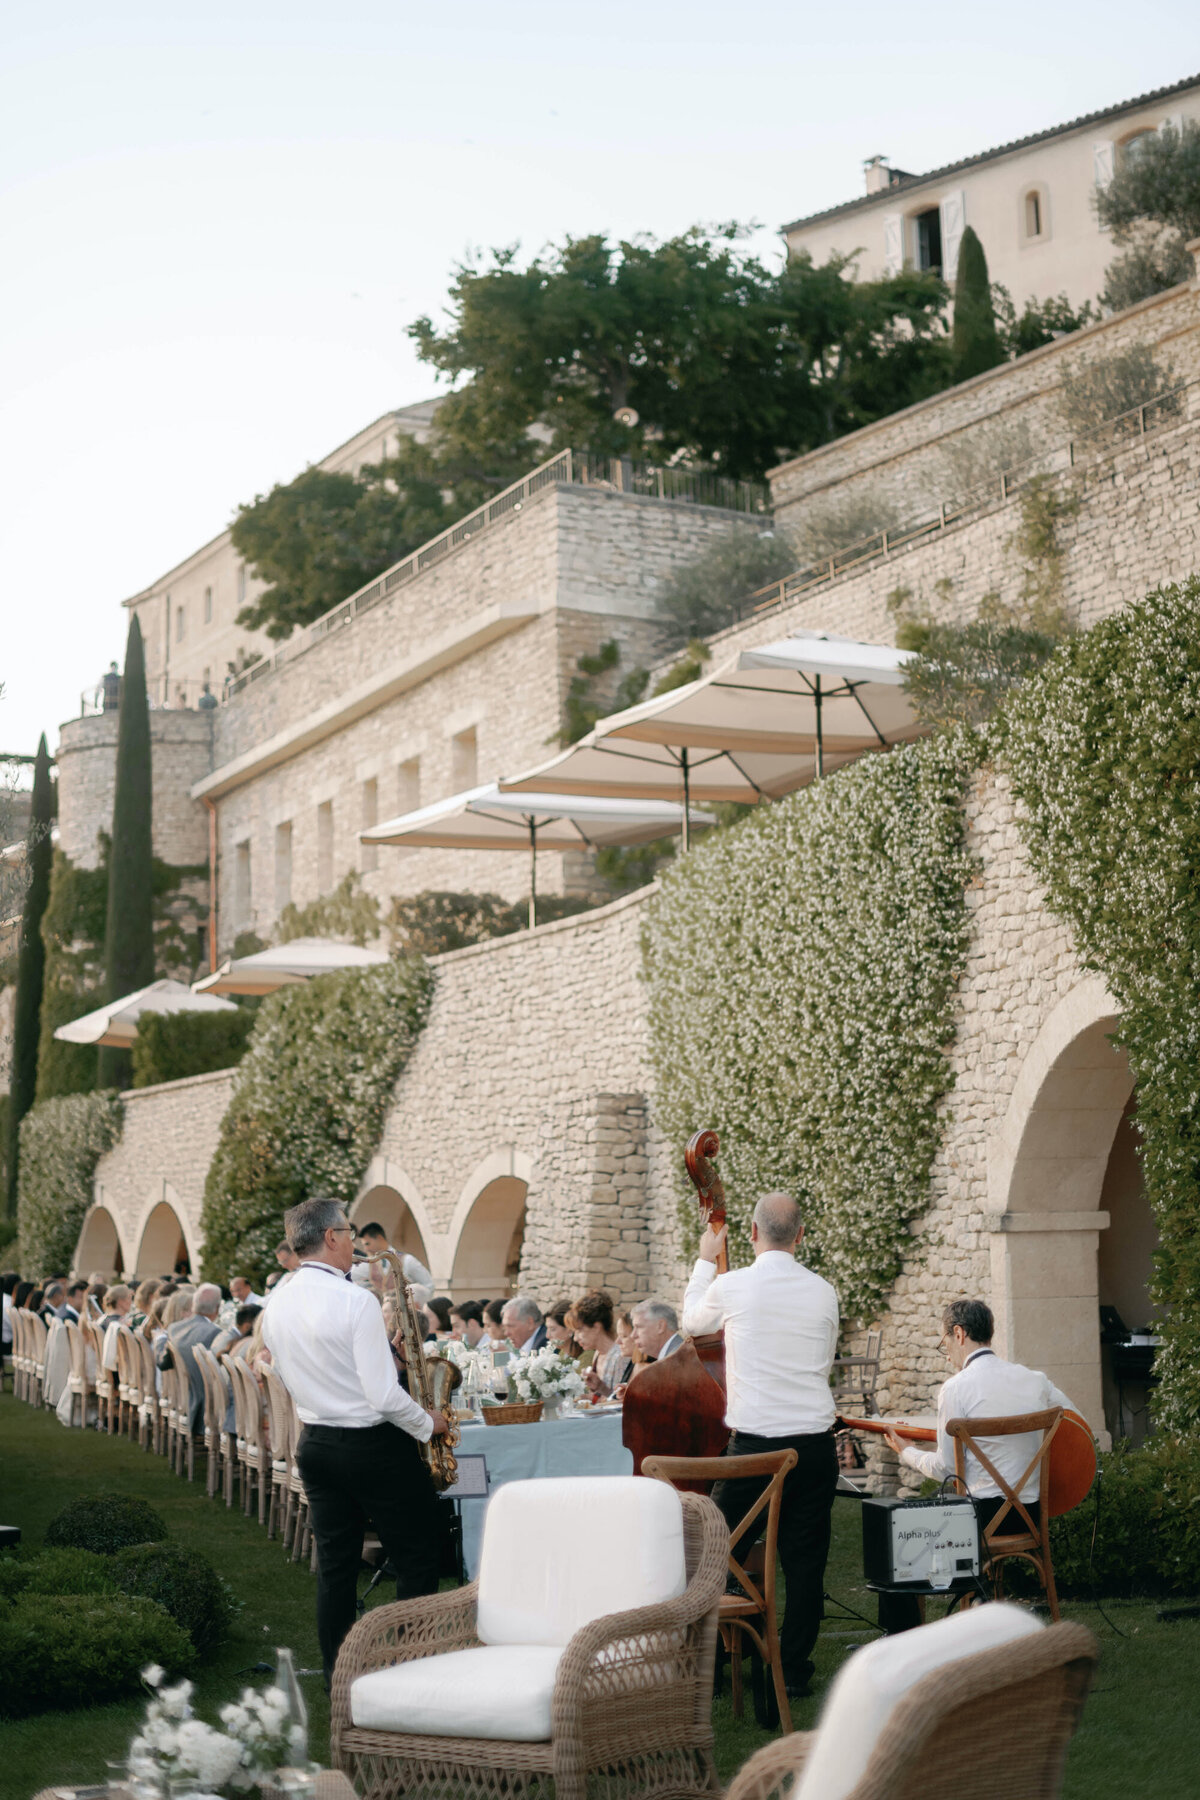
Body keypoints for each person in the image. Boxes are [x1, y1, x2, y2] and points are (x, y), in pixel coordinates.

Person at [262, 1196, 449, 1685]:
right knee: (418, 1553)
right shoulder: (355, 1299)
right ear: (331, 1238)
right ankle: (412, 1661)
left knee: (336, 1566)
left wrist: (388, 1355)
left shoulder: (277, 1300)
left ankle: (337, 1671)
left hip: (317, 1444)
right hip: (373, 1446)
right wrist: (431, 1424)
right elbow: (383, 1398)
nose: (354, 1243)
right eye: (347, 1233)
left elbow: (288, 1370)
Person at [682, 1192, 840, 1701]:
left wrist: (706, 1260)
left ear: (751, 1234)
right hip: (814, 1445)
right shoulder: (824, 1291)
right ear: (800, 1236)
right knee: (805, 1562)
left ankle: (711, 1660)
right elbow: (825, 1358)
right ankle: (790, 1669)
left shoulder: (732, 1285)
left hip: (753, 1449)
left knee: (715, 1554)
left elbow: (690, 1325)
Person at [884, 1298, 1076, 1540]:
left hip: (979, 1521)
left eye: (945, 1344)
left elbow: (948, 1469)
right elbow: (1076, 1422)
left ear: (959, 1333)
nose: (946, 1356)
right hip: (1032, 1515)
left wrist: (907, 1451)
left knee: (917, 1528)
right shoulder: (1035, 1380)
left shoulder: (954, 1389)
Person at [163, 1284, 222, 1430]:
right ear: (218, 1308)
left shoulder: (174, 1328)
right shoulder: (214, 1332)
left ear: (194, 1305)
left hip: (181, 1395)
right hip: (204, 1401)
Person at [575, 1291, 628, 1397]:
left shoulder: (620, 1357)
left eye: (580, 1330)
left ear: (596, 1327)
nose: (576, 1338)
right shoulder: (598, 1354)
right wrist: (598, 1387)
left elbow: (619, 1402)